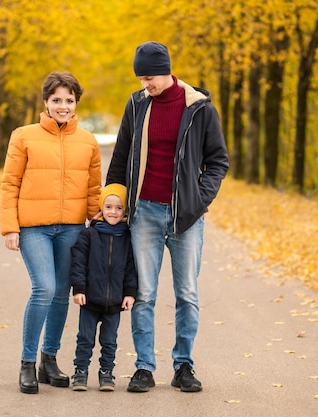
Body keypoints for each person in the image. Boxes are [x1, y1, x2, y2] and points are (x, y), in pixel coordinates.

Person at [105, 41, 229, 393]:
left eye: (149, 78)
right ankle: (144, 367)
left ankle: (183, 366)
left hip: (185, 216)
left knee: (187, 293)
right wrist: (112, 197)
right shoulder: (137, 104)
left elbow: (218, 161)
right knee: (144, 294)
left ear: (166, 72)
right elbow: (122, 154)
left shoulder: (199, 108)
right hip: (143, 211)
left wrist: (198, 200)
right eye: (141, 79)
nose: (146, 85)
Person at [0, 71, 102, 394]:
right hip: (34, 228)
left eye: (69, 100)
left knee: (61, 294)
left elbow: (92, 188)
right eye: (56, 100)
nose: (63, 106)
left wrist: (95, 224)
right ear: (45, 102)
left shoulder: (87, 141)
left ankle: (49, 361)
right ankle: (27, 363)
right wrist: (9, 227)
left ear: (76, 103)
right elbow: (10, 183)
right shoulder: (23, 136)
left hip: (71, 228)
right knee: (43, 288)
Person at [69, 183, 138, 392]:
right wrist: (79, 289)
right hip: (90, 299)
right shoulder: (89, 234)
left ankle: (106, 373)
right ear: (101, 208)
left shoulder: (127, 237)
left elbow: (131, 268)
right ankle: (80, 372)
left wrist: (129, 294)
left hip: (115, 301)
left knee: (109, 341)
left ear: (125, 211)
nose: (113, 212)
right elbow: (78, 262)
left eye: (119, 208)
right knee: (85, 338)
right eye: (108, 207)